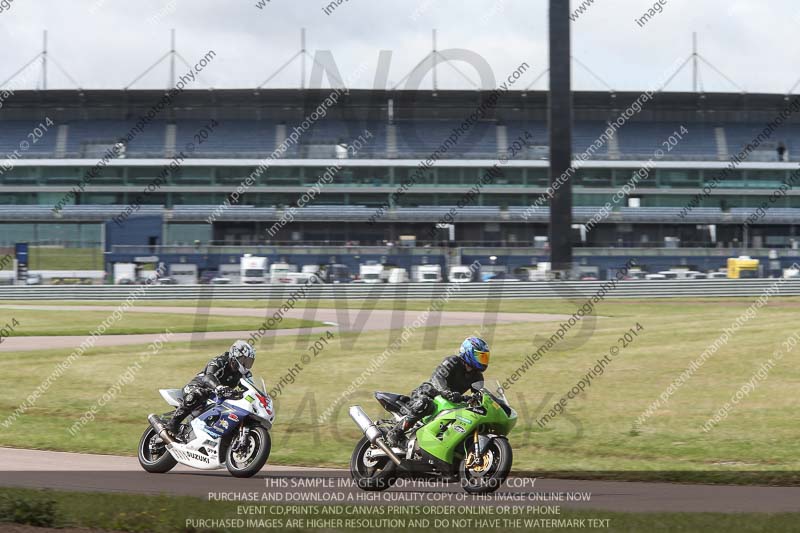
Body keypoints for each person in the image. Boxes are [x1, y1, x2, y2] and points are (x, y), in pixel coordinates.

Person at [385, 337, 490, 448]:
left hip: (450, 403)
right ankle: (396, 432)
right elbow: (438, 378)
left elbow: (479, 395)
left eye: (485, 357)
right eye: (480, 357)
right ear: (468, 353)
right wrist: (446, 392)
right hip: (428, 394)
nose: (483, 361)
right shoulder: (452, 361)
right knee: (424, 403)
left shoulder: (477, 376)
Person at [164, 340, 256, 438]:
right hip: (197, 386)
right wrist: (218, 387)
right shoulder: (220, 361)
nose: (246, 364)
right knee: (198, 394)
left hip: (217, 396)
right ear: (235, 355)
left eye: (249, 362)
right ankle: (172, 425)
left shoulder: (245, 374)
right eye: (244, 360)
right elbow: (208, 377)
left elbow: (251, 388)